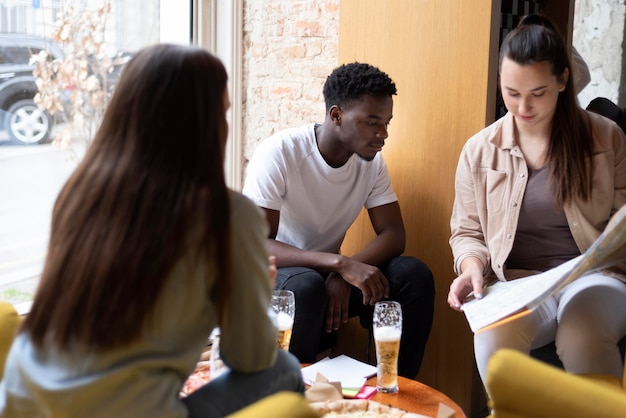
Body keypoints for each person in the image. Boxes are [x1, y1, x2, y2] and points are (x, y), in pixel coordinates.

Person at [0, 44, 304, 418]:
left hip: (20, 403)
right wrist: (252, 285)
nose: (226, 125)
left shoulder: (82, 192)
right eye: (222, 112)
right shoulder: (226, 213)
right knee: (284, 369)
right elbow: (251, 356)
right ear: (201, 124)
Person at [448, 14, 626, 393]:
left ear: (563, 80)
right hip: (518, 283)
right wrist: (472, 266)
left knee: (583, 334)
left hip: (594, 277)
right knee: (493, 338)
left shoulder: (606, 137)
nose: (523, 107)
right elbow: (467, 231)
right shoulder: (480, 150)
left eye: (538, 93)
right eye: (511, 93)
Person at [242, 62, 435, 379]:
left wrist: (344, 270)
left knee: (412, 275)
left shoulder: (371, 164)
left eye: (386, 123)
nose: (383, 134)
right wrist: (338, 264)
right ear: (336, 116)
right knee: (305, 285)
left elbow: (393, 235)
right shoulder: (281, 152)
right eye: (372, 122)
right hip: (276, 277)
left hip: (328, 272)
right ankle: (291, 398)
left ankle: (395, 392)